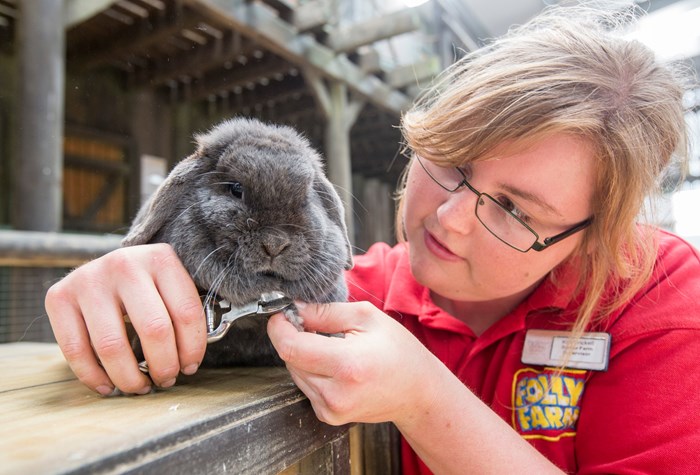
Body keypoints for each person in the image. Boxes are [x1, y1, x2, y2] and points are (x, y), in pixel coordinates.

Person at [45, 5, 700, 474]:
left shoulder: (660, 294)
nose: (449, 219)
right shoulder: (362, 290)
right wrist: (126, 295)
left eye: (512, 209)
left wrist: (424, 398)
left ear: (590, 235)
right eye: (450, 165)